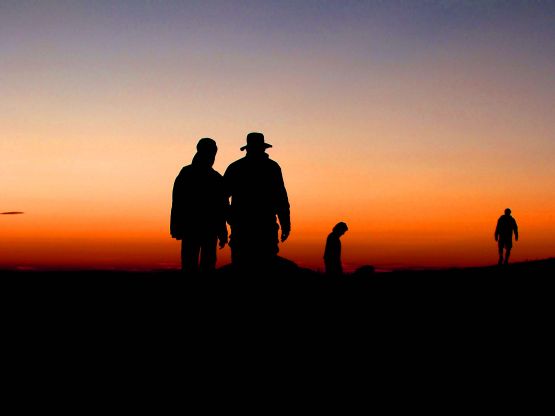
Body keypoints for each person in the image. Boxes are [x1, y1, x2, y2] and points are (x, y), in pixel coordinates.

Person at [223, 132, 290, 268]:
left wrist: (230, 216)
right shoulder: (272, 167)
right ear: (263, 148)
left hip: (244, 227)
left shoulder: (235, 167)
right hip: (264, 226)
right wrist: (285, 224)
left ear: (247, 149)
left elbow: (221, 197)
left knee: (241, 264)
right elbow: (281, 198)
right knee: (265, 264)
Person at [170, 138, 228, 274]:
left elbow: (222, 206)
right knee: (198, 266)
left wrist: (222, 231)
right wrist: (222, 231)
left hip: (198, 229)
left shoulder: (188, 173)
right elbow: (178, 202)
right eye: (212, 152)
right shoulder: (214, 177)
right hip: (195, 228)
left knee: (198, 266)